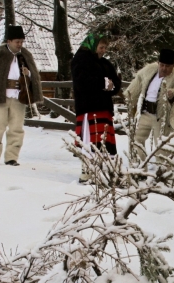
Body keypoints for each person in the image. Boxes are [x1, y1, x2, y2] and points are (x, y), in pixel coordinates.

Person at [0, 25, 43, 166]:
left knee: (16, 128)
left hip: (19, 96)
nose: (20, 45)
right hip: (1, 95)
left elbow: (34, 75)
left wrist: (28, 73)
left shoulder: (25, 55)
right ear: (9, 41)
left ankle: (11, 157)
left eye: (21, 42)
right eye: (17, 41)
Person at [71, 33, 122, 182]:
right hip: (88, 108)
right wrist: (103, 83)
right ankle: (87, 172)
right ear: (93, 46)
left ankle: (104, 173)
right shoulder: (80, 60)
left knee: (103, 143)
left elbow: (116, 83)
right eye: (101, 47)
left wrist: (112, 86)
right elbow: (82, 82)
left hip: (104, 108)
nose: (103, 50)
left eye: (105, 47)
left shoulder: (106, 63)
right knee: (89, 142)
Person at [125, 49, 174, 161]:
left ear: (173, 66)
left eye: (168, 66)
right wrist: (129, 98)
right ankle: (139, 169)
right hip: (145, 112)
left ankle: (163, 173)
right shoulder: (149, 70)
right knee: (136, 140)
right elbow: (138, 82)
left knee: (161, 147)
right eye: (162, 65)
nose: (164, 68)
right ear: (158, 63)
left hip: (161, 116)